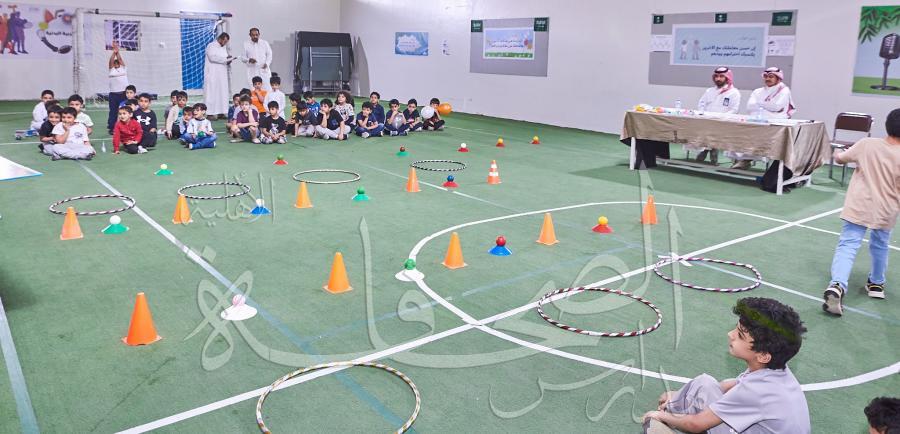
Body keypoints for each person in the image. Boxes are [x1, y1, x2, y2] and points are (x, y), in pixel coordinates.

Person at [642, 297, 809, 434]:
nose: (730, 335)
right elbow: (729, 386)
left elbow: (696, 424)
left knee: (661, 422)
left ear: (763, 355)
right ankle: (672, 408)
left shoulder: (756, 391)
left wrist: (661, 417)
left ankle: (667, 413)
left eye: (740, 335)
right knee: (706, 385)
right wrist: (679, 396)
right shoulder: (773, 370)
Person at [823, 109, 900, 315]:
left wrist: (839, 153)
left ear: (887, 125)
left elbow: (841, 159)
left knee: (848, 244)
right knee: (880, 245)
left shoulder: (867, 144)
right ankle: (876, 284)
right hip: (886, 209)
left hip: (859, 205)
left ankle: (837, 285)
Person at [729, 66, 796, 170]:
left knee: (759, 135)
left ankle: (746, 160)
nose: (767, 79)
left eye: (771, 76)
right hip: (757, 121)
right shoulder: (758, 91)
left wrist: (760, 104)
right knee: (739, 132)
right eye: (766, 76)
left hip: (775, 124)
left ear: (778, 78)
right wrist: (767, 106)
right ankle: (742, 159)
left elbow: (776, 106)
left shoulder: (784, 91)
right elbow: (750, 107)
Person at [690, 67, 742, 164]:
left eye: (721, 76)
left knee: (715, 133)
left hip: (723, 122)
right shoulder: (709, 91)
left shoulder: (734, 92)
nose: (718, 79)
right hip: (707, 120)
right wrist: (703, 114)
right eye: (716, 76)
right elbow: (701, 103)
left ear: (727, 78)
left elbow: (734, 110)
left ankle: (710, 152)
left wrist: (720, 118)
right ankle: (706, 151)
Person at [203, 33, 235, 120]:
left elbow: (224, 58)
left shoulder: (223, 48)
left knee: (222, 92)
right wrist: (225, 59)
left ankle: (222, 112)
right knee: (211, 92)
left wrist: (229, 59)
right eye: (224, 41)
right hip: (212, 74)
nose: (225, 43)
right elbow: (212, 58)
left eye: (226, 42)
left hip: (222, 75)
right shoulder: (211, 46)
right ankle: (210, 113)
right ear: (220, 39)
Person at [107, 42, 129, 133]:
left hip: (123, 94)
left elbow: (120, 59)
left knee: (124, 111)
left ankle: (125, 126)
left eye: (117, 63)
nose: (116, 64)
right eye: (114, 63)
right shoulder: (111, 71)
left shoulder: (123, 69)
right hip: (113, 94)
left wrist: (117, 52)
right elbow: (110, 61)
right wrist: (113, 53)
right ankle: (112, 128)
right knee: (113, 112)